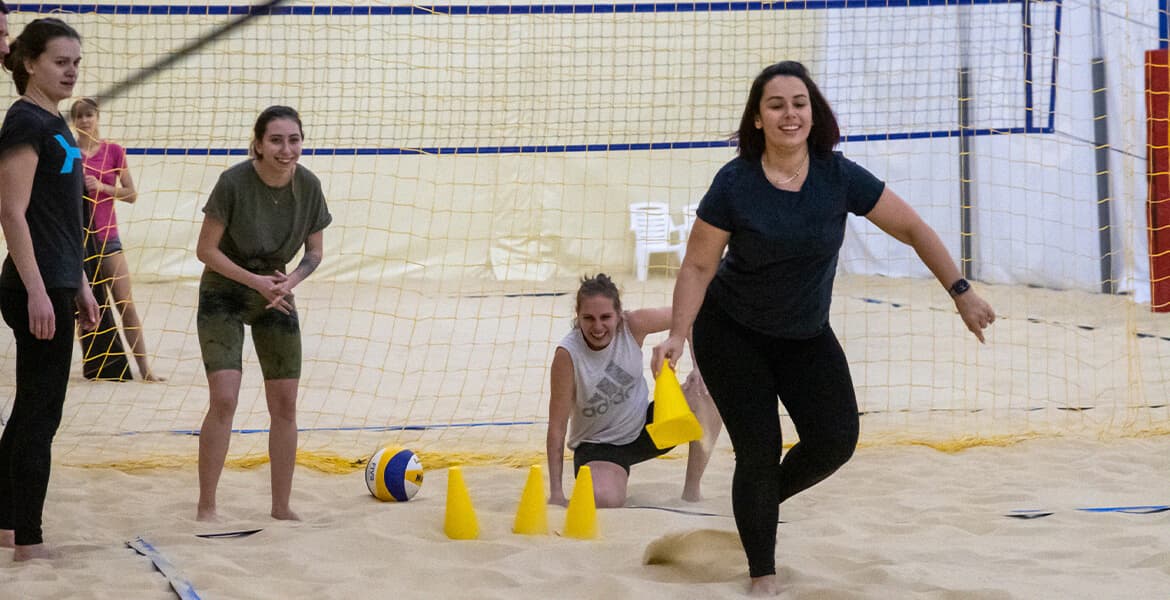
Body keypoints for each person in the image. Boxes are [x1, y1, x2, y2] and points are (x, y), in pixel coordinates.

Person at [650, 61, 996, 596]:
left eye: (799, 103)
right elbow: (697, 267)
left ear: (814, 112)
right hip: (731, 331)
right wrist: (677, 332)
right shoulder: (735, 182)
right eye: (776, 105)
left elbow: (911, 227)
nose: (790, 114)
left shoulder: (839, 176)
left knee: (836, 439)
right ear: (758, 119)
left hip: (804, 332)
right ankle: (761, 575)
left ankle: (759, 501)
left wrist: (961, 291)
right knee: (759, 451)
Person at [194, 106, 331, 521]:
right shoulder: (233, 182)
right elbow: (205, 251)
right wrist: (254, 282)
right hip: (225, 291)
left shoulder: (309, 186)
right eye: (275, 140)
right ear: (257, 144)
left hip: (276, 292)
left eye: (293, 140)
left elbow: (314, 253)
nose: (286, 149)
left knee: (285, 403)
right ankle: (206, 506)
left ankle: (281, 507)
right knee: (224, 398)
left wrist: (289, 283)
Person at [0, 17, 98, 561]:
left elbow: (63, 218)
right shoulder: (24, 122)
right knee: (42, 414)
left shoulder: (54, 121)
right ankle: (29, 544)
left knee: (33, 409)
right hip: (34, 286)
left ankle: (8, 528)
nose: (71, 71)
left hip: (60, 280)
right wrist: (39, 292)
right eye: (61, 61)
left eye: (76, 62)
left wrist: (80, 283)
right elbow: (12, 214)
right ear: (31, 62)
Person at [547, 273, 721, 508]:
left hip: (647, 429)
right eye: (588, 318)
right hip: (599, 445)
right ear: (577, 317)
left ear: (619, 315)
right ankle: (609, 478)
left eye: (605, 317)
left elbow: (689, 316)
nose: (597, 327)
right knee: (605, 500)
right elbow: (557, 428)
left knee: (706, 391)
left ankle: (692, 491)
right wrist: (556, 493)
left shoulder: (634, 324)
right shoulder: (567, 355)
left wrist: (699, 366)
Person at [70, 97, 163, 381]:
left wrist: (103, 187)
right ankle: (96, 363)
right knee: (80, 310)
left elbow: (131, 194)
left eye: (89, 114)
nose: (85, 120)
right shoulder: (69, 152)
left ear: (97, 116)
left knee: (125, 304)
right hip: (78, 243)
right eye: (79, 116)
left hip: (108, 239)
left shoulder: (113, 151)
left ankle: (145, 369)